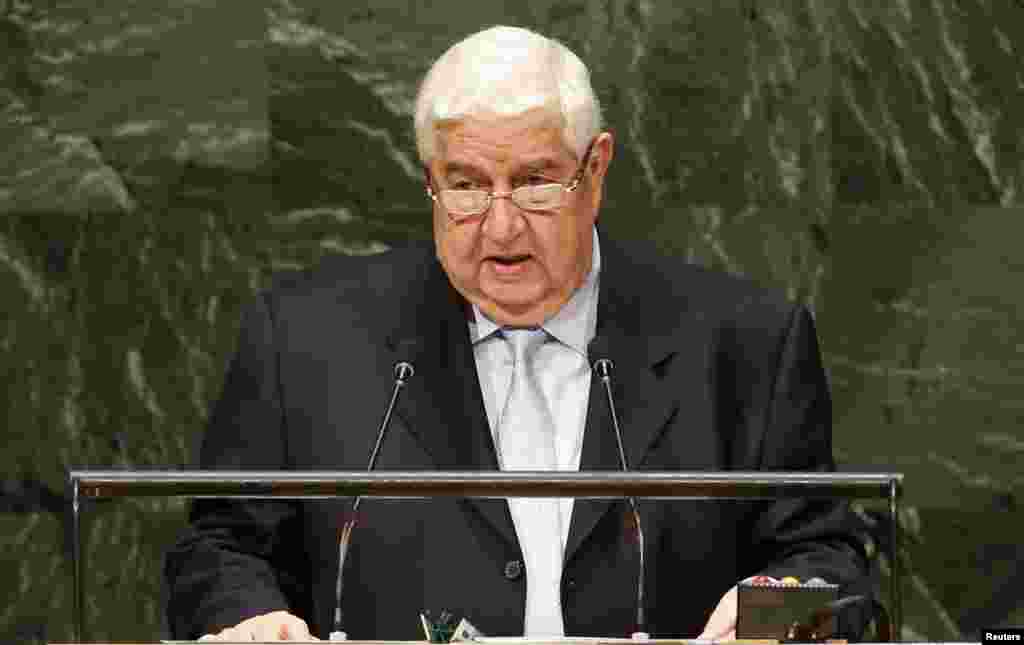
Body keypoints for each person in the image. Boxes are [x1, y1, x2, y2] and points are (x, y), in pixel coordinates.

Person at [165, 25, 868, 642]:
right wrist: (251, 619)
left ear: (595, 171)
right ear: (429, 182)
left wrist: (776, 615)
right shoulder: (306, 342)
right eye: (466, 184)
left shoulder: (742, 344)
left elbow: (829, 565)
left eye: (534, 181)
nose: (500, 227)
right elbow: (221, 549)